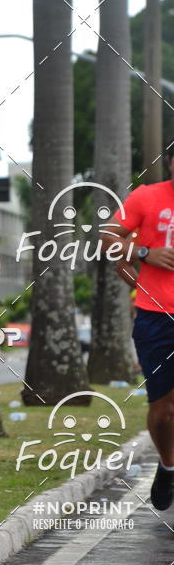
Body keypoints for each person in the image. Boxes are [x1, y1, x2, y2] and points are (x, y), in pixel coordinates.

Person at [102, 145, 174, 511]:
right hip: (156, 318)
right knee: (163, 409)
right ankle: (168, 465)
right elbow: (109, 240)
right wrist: (146, 254)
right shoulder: (147, 197)